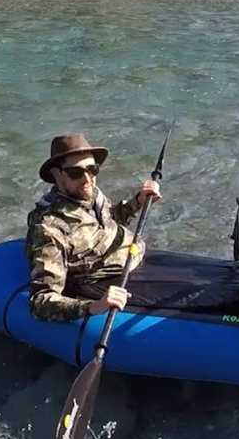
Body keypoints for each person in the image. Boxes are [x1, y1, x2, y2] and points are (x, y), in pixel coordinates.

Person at [25, 133, 161, 321]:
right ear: (57, 174)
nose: (87, 178)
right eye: (76, 172)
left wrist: (138, 201)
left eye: (92, 169)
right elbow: (40, 301)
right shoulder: (49, 229)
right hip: (108, 280)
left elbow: (108, 221)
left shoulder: (90, 194)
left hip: (133, 255)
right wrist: (95, 306)